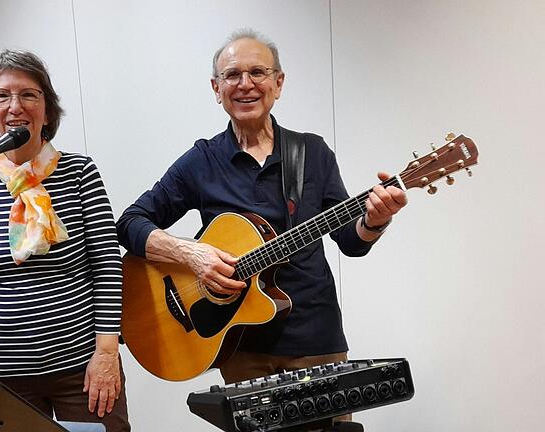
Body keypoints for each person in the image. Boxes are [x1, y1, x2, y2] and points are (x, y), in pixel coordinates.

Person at [116, 29, 406, 427]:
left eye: (258, 72)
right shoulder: (202, 160)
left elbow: (350, 241)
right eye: (233, 75)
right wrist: (193, 255)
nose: (246, 84)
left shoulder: (313, 153)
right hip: (239, 347)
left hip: (314, 340)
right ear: (216, 89)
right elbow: (130, 223)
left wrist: (375, 220)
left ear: (278, 83)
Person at [0, 49, 129, 431]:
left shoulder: (80, 172)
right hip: (0, 375)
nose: (15, 106)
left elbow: (107, 266)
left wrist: (107, 353)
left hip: (82, 367)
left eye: (29, 94)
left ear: (47, 108)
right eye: (2, 96)